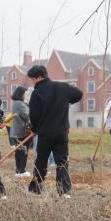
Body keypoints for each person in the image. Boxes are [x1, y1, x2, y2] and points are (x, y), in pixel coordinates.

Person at [25, 65, 83, 197]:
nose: (32, 82)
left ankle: (35, 190)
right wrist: (67, 101)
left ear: (39, 77)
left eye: (33, 79)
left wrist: (34, 129)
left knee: (41, 162)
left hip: (45, 134)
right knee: (62, 162)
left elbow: (34, 116)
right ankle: (64, 192)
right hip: (62, 132)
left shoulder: (37, 93)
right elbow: (79, 94)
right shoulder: (63, 87)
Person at [8, 86, 33, 178]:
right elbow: (27, 115)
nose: (26, 95)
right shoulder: (19, 103)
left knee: (20, 151)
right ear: (21, 94)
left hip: (19, 131)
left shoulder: (18, 103)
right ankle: (21, 170)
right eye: (25, 93)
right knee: (22, 151)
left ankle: (19, 170)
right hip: (21, 131)